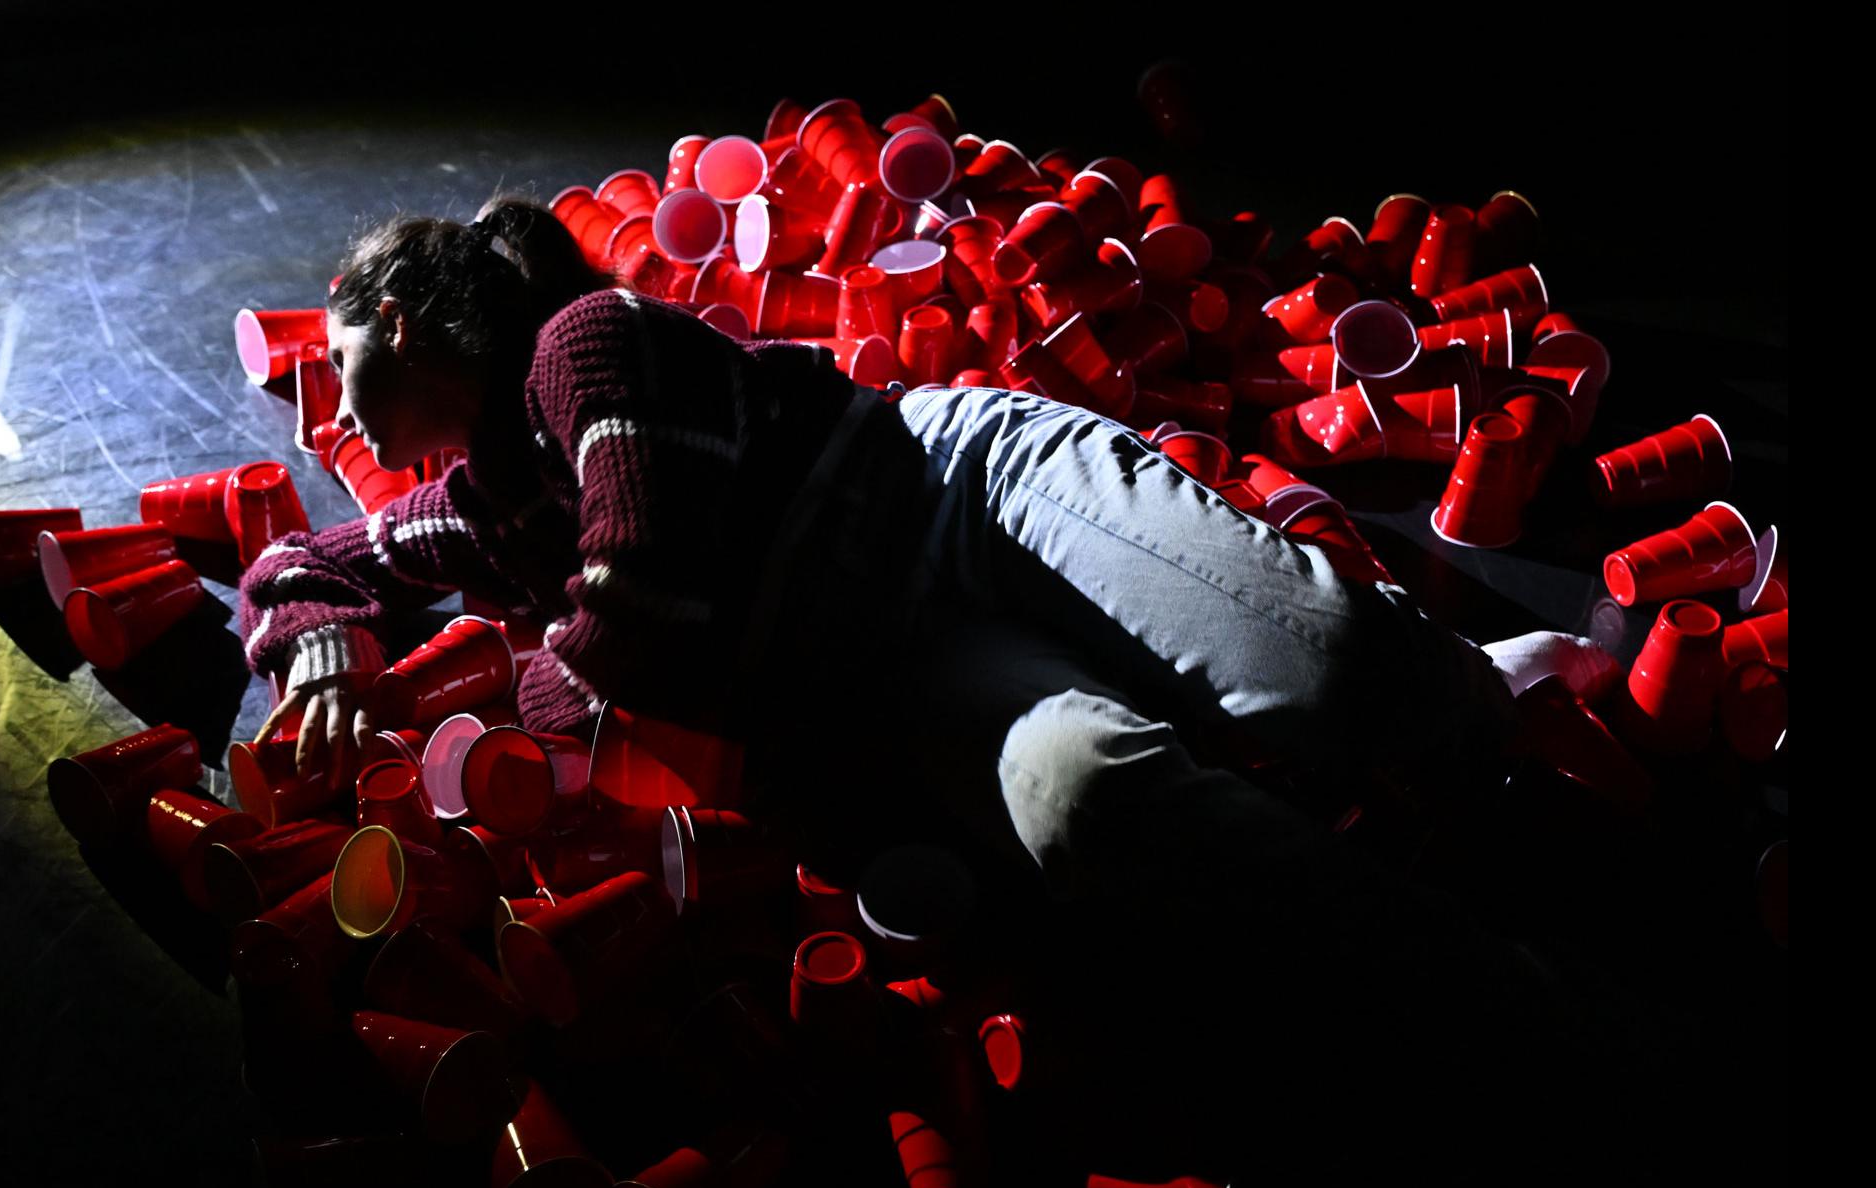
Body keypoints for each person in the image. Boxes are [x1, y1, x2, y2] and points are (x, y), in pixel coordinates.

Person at [238, 193, 1618, 902]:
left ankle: (1473, 684)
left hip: (959, 484)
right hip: (898, 659)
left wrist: (546, 675)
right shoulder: (484, 500)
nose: (329, 395)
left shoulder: (580, 346)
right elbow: (311, 565)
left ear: (399, 317)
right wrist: (319, 653)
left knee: (1342, 681)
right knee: (1092, 808)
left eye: (335, 345)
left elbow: (635, 600)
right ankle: (1464, 993)